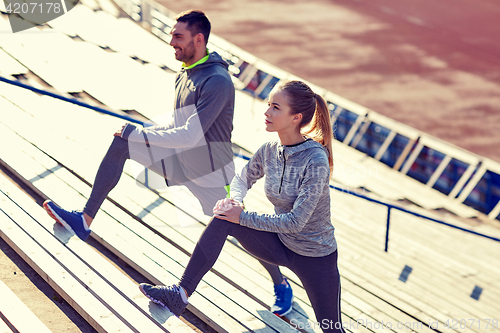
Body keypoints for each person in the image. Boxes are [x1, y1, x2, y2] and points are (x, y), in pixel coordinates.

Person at [43, 9, 293, 317]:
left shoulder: (218, 81)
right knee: (123, 142)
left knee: (238, 230)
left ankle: (281, 282)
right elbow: (176, 125)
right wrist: (138, 131)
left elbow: (190, 135)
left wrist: (141, 133)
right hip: (180, 160)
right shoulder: (186, 71)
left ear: (198, 39)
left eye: (178, 36)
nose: (171, 41)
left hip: (211, 170)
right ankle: (84, 221)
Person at [139, 80, 346, 333]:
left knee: (332, 330)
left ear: (296, 117)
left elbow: (295, 222)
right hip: (281, 246)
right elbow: (242, 178)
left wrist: (243, 216)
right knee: (224, 217)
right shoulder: (270, 149)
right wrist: (234, 201)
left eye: (276, 107)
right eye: (268, 105)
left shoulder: (315, 159)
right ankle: (180, 294)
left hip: (316, 258)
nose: (267, 112)